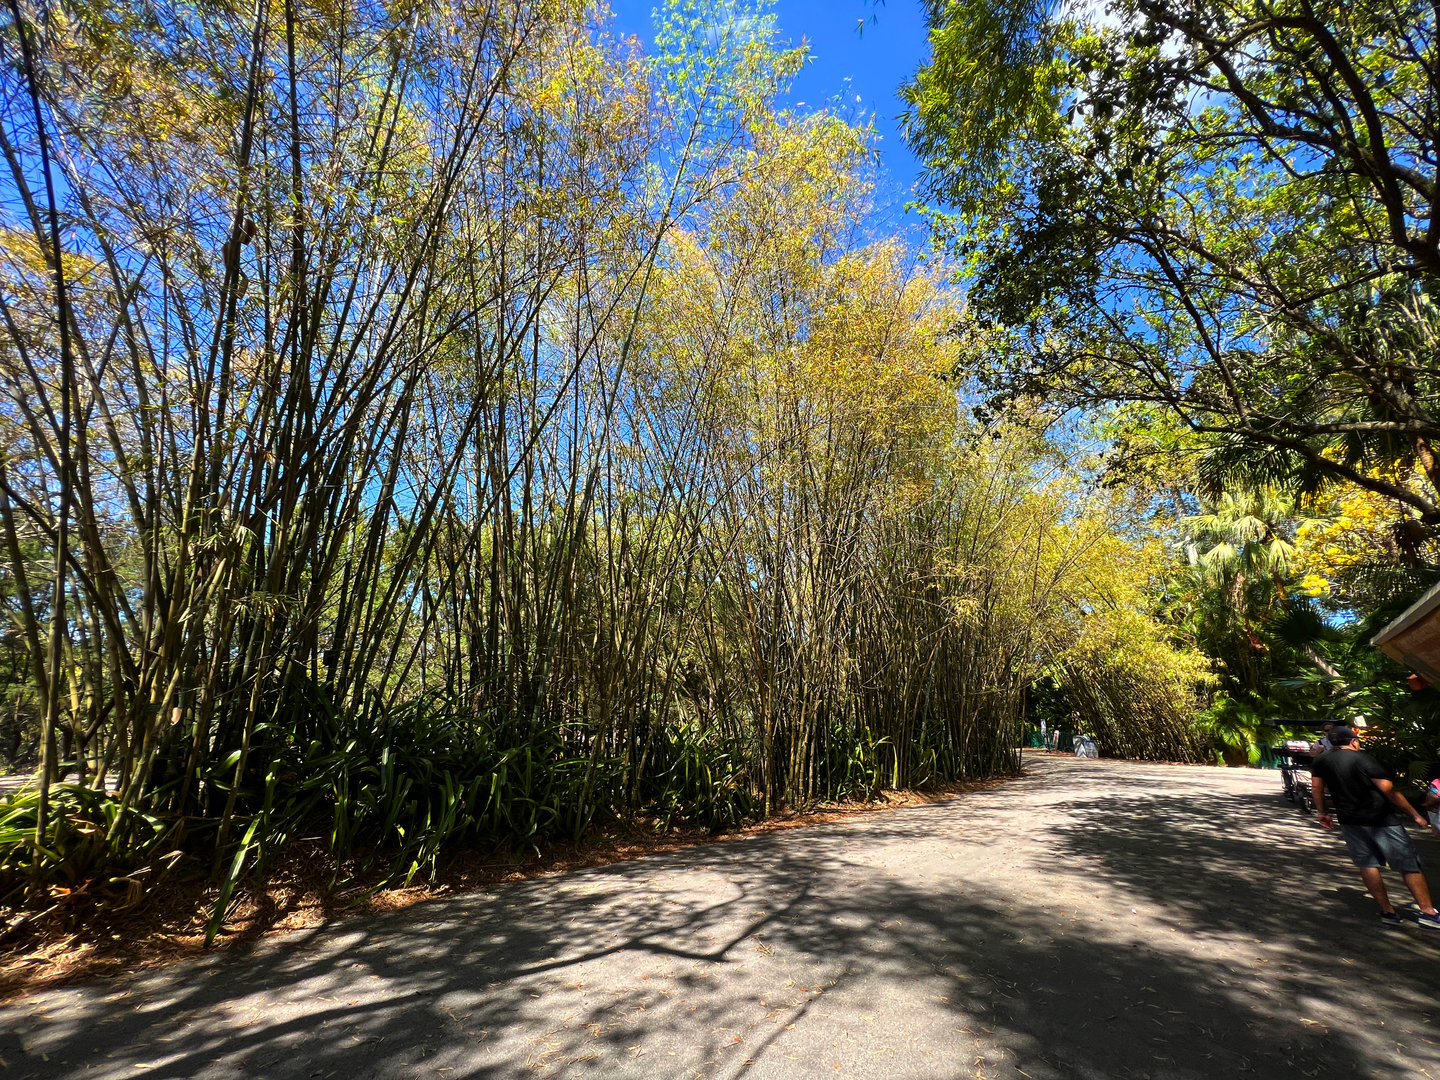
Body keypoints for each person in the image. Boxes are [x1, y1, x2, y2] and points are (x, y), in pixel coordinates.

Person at [1310, 726, 1440, 929]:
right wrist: (1415, 815)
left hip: (1349, 820)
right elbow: (1389, 790)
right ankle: (1428, 913)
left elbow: (1317, 788)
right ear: (1353, 741)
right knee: (1408, 864)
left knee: (1367, 864)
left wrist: (1322, 813)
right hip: (1381, 820)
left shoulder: (1321, 761)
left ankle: (1388, 911)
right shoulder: (1363, 759)